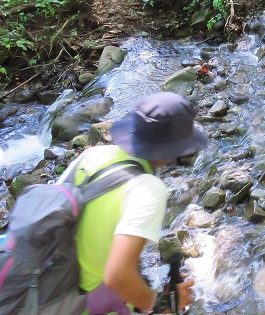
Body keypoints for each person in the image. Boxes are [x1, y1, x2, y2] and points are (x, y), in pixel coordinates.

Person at [58, 91, 208, 314]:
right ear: (173, 148)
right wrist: (161, 305)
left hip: (54, 290)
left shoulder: (91, 157)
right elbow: (117, 275)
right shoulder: (148, 188)